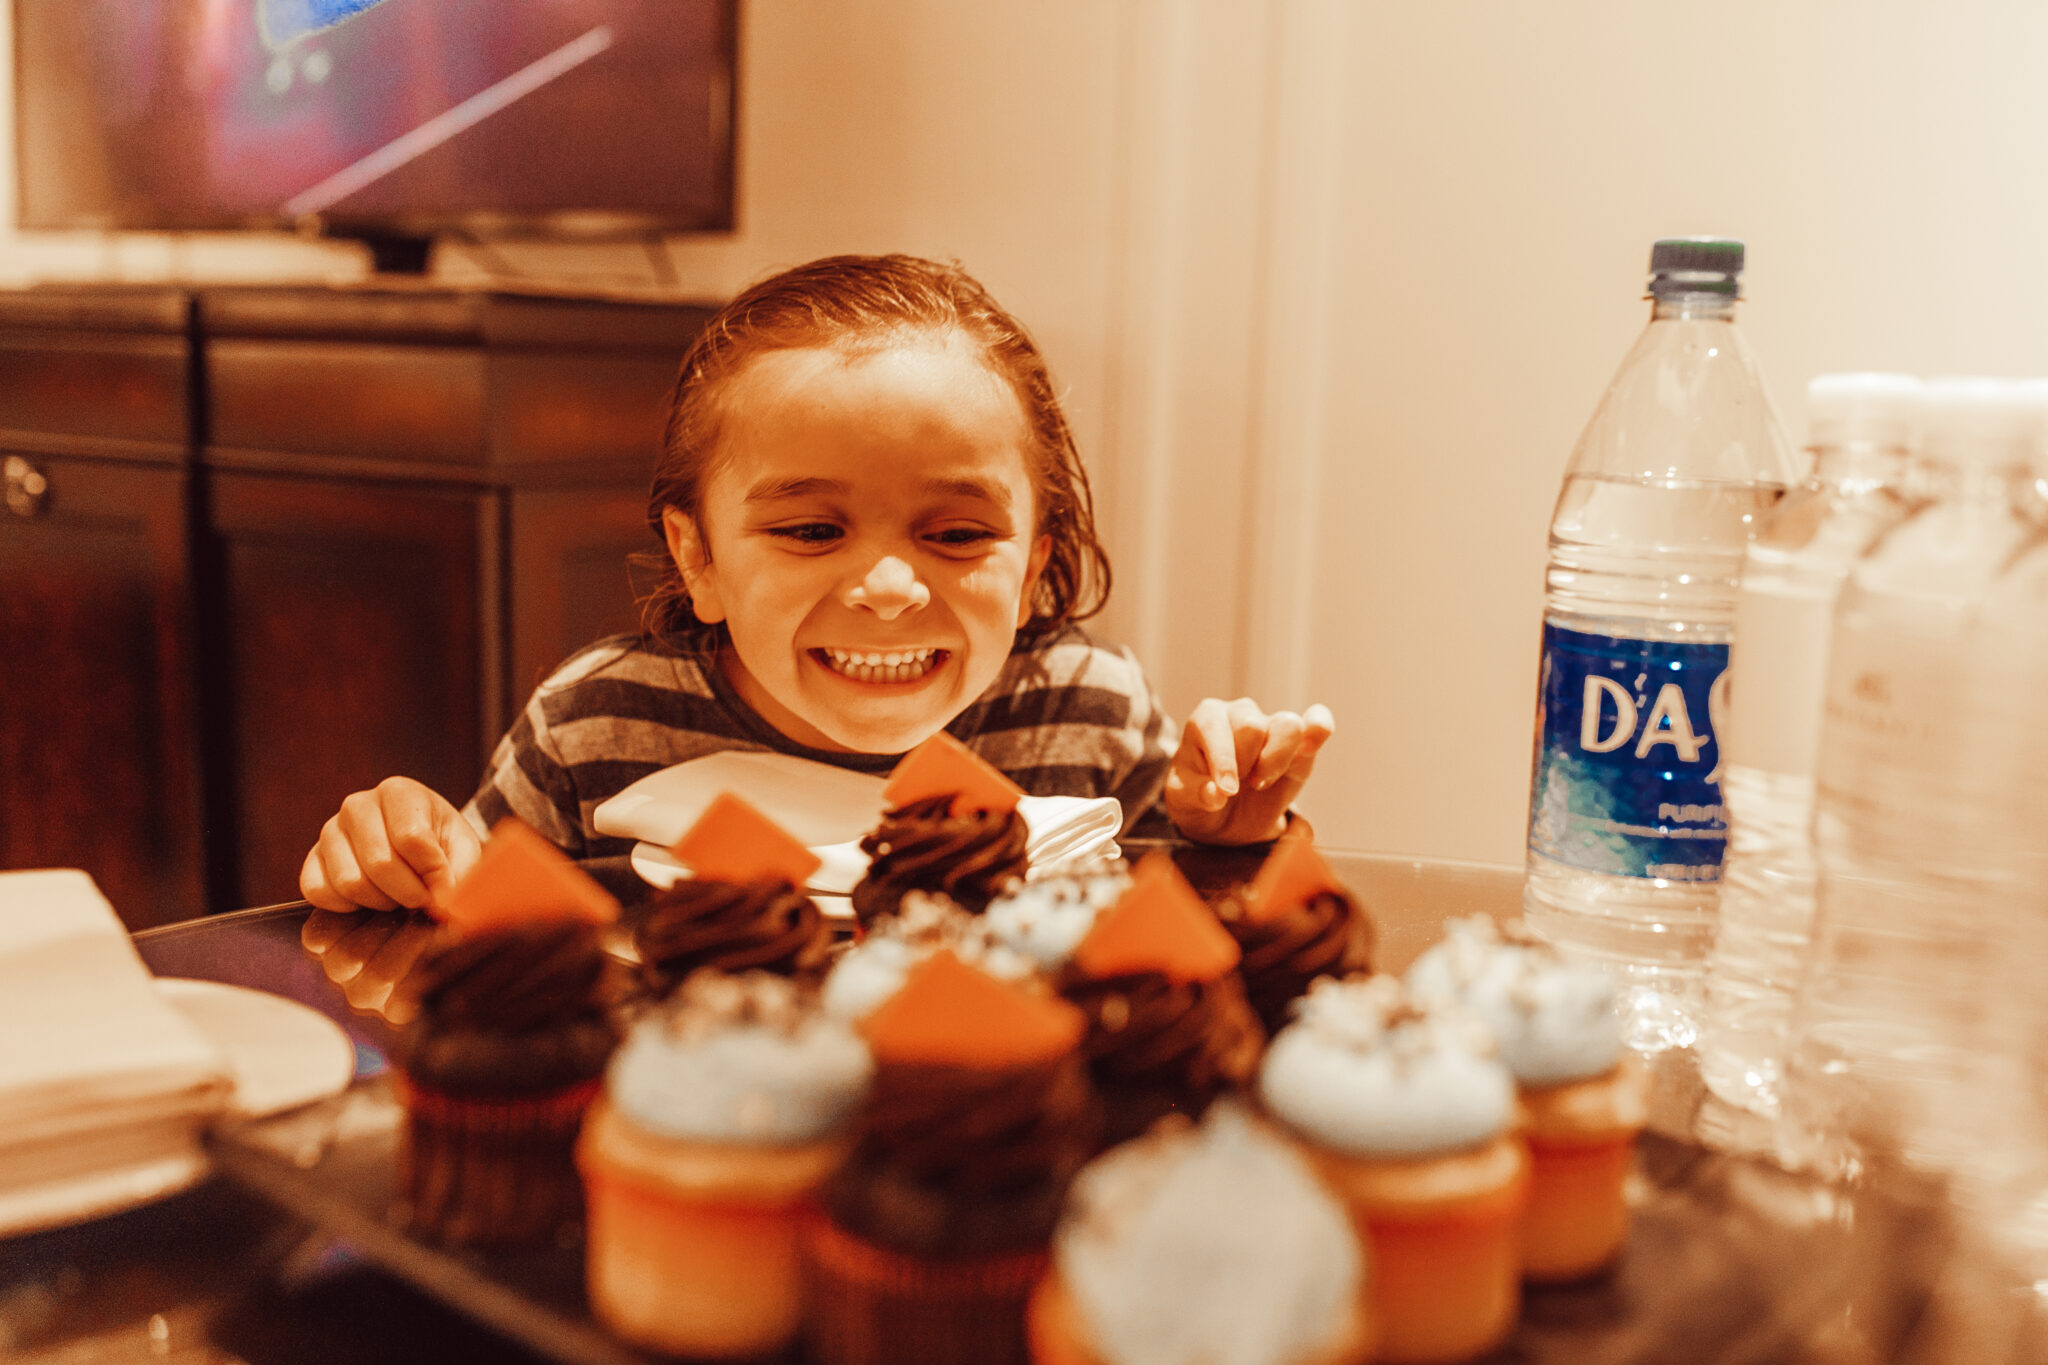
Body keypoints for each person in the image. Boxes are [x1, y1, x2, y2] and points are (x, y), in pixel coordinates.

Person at [300, 254, 1335, 914]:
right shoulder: (598, 727)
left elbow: (1182, 937)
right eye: (809, 529)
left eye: (957, 532)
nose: (887, 587)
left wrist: (1229, 835)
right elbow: (474, 909)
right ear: (697, 557)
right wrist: (398, 851)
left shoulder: (1084, 710)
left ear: (1033, 565)